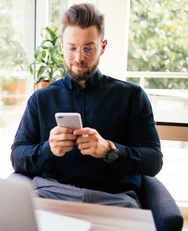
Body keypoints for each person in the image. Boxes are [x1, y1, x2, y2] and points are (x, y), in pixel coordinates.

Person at [11, 3, 163, 208]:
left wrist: (109, 150)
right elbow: (17, 157)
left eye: (88, 48)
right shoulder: (41, 99)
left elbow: (153, 161)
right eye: (72, 48)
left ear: (103, 46)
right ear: (62, 46)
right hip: (52, 196)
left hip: (113, 200)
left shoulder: (132, 96)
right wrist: (49, 150)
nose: (79, 57)